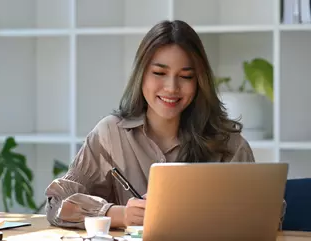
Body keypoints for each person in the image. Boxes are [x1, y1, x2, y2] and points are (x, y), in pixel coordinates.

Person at [45, 19, 270, 230]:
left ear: (199, 82)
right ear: (141, 75)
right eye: (159, 73)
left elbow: (268, 214)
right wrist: (119, 214)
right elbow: (57, 202)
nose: (171, 87)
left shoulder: (228, 142)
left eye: (186, 76)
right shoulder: (110, 134)